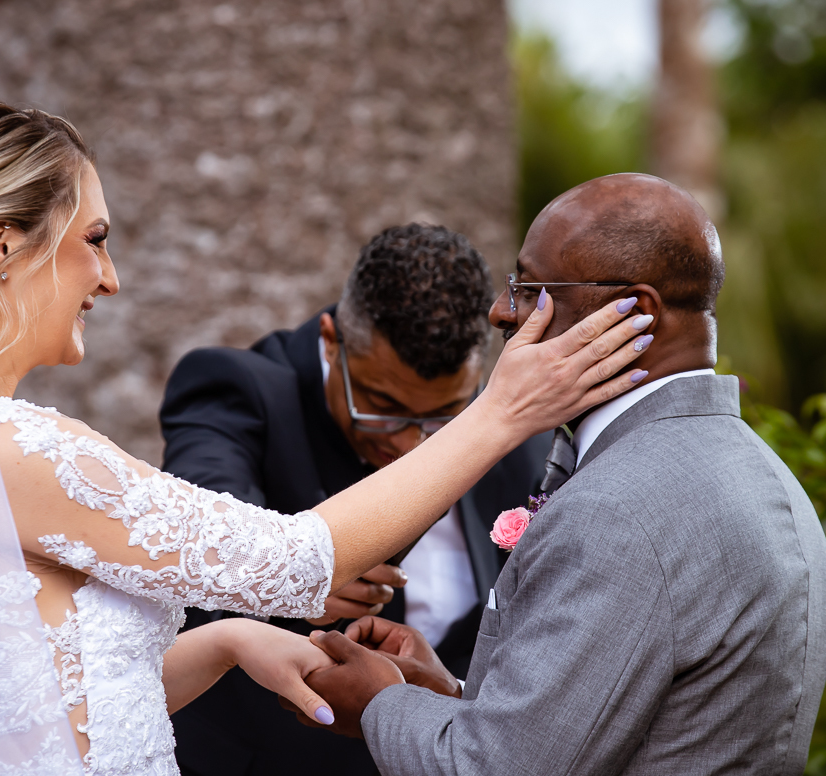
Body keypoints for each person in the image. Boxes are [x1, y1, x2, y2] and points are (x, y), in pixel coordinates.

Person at [0, 93, 652, 776]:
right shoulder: (13, 451)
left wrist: (229, 641)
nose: (110, 278)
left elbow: (47, 712)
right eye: (94, 239)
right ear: (1, 246)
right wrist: (502, 412)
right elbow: (294, 559)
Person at [285, 174, 826, 776]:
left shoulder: (621, 510)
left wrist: (379, 702)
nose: (502, 312)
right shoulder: (766, 476)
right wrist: (449, 695)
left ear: (637, 313)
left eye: (530, 289)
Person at [160, 224, 549, 776]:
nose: (410, 443)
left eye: (443, 417)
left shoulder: (511, 434)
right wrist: (297, 575)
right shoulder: (235, 391)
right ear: (330, 341)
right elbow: (199, 544)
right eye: (382, 406)